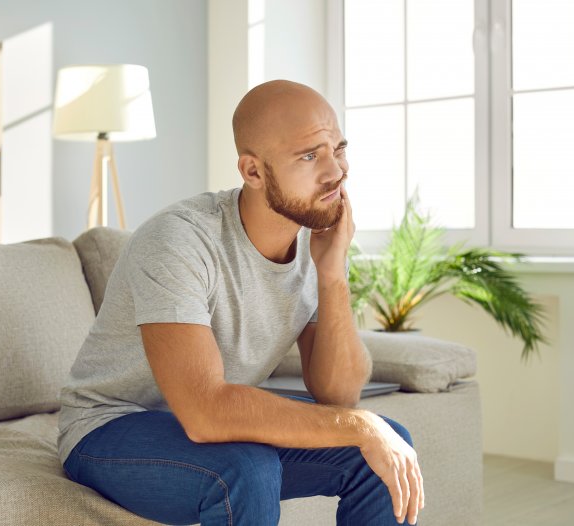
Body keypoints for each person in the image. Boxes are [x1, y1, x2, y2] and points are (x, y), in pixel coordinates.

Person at [58, 79, 425, 525]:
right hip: (108, 429)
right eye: (310, 156)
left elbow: (338, 393)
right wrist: (358, 425)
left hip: (209, 432)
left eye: (338, 149)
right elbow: (205, 413)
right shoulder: (180, 240)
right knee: (246, 468)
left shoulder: (316, 239)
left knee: (387, 444)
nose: (335, 172)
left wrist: (332, 274)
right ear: (252, 172)